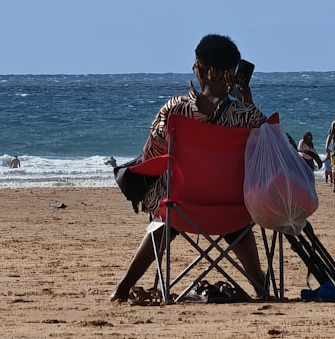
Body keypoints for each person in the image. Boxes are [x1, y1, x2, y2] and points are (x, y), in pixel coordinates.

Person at [111, 34, 267, 303]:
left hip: (182, 210)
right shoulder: (249, 116)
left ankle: (124, 286)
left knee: (166, 207)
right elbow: (275, 146)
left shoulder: (176, 110)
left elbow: (153, 154)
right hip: (236, 210)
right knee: (232, 218)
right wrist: (247, 104)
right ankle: (261, 286)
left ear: (202, 68)